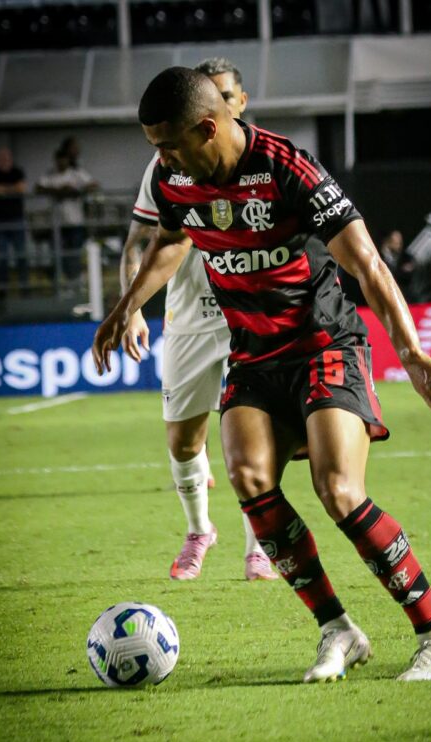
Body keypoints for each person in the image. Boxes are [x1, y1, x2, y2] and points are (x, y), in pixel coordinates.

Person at [92, 67, 431, 683]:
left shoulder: (288, 169)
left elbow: (367, 261)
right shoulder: (175, 177)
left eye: (166, 143)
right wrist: (126, 305)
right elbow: (170, 241)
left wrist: (410, 351)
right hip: (254, 355)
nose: (159, 158)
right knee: (247, 477)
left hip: (323, 343)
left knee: (339, 491)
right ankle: (338, 631)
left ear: (208, 127)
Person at [120, 58, 276, 583]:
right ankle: (200, 530)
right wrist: (133, 305)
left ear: (239, 102)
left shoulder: (266, 161)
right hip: (188, 321)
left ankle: (260, 544)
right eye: (214, 96)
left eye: (229, 96)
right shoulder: (169, 165)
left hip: (246, 321)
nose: (223, 104)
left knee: (250, 440)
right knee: (184, 443)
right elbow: (143, 243)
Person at [36, 148, 98, 291]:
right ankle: (63, 286)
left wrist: (75, 190)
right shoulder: (51, 176)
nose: (61, 162)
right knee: (59, 255)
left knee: (75, 254)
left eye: (64, 159)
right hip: (58, 224)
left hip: (75, 222)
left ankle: (76, 283)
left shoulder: (75, 174)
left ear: (67, 161)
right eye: (59, 160)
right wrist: (58, 191)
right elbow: (38, 188)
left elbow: (94, 185)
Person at [0, 147, 29, 296]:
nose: (4, 161)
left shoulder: (17, 171)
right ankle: (3, 290)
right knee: (2, 257)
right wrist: (11, 189)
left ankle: (25, 288)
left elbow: (21, 188)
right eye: (1, 158)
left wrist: (1, 189)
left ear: (10, 159)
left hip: (17, 220)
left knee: (21, 256)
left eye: (6, 158)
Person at [380, 229, 419, 304]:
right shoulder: (381, 256)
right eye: (395, 241)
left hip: (404, 296)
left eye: (399, 242)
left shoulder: (406, 257)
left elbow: (407, 276)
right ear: (388, 241)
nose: (398, 244)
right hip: (386, 296)